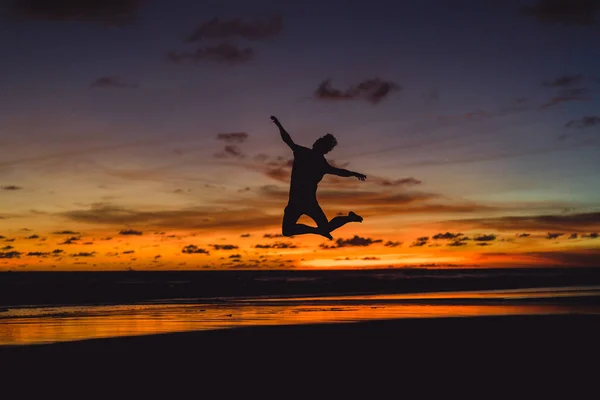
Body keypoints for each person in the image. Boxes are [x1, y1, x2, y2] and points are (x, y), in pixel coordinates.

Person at [270, 116, 367, 240]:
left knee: (290, 230)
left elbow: (339, 172)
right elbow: (287, 139)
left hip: (306, 202)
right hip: (297, 202)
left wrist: (353, 173)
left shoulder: (310, 157)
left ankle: (345, 219)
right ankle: (336, 224)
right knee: (290, 230)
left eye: (320, 141)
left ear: (322, 147)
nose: (316, 141)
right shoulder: (304, 154)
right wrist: (278, 125)